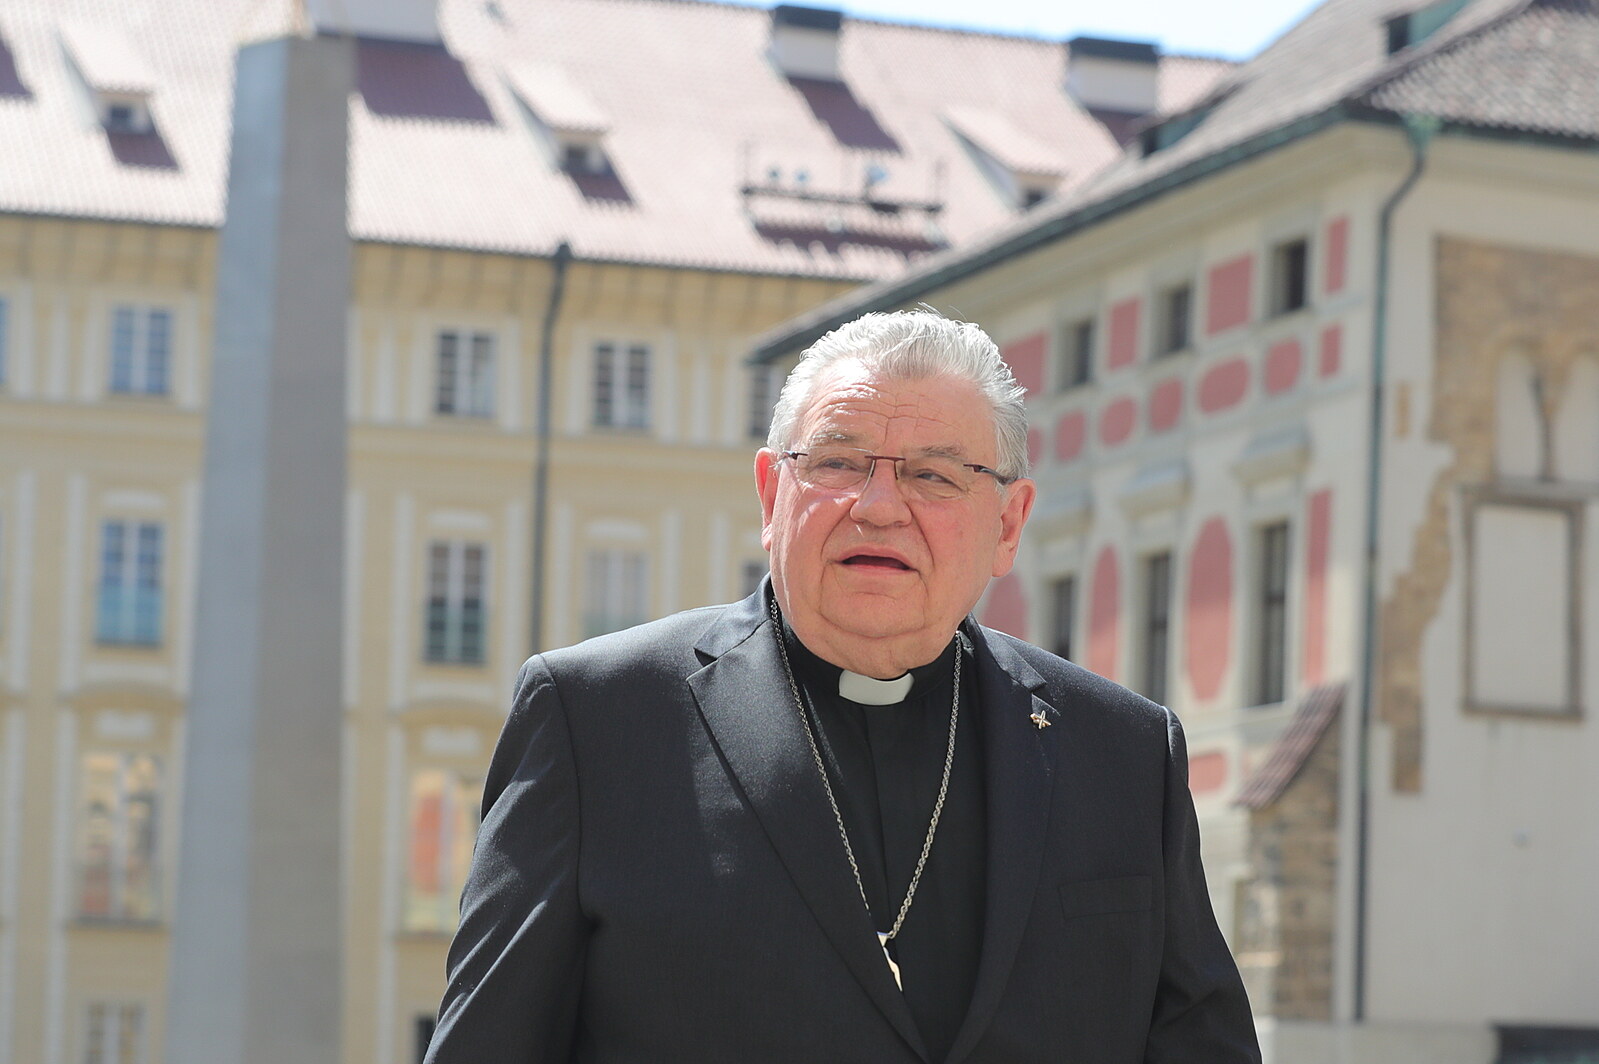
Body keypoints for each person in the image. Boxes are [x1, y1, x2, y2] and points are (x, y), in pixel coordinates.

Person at [425, 311, 1260, 1063]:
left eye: (934, 475)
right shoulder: (597, 720)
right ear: (770, 495)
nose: (878, 506)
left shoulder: (1121, 753)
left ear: (1007, 524)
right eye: (837, 463)